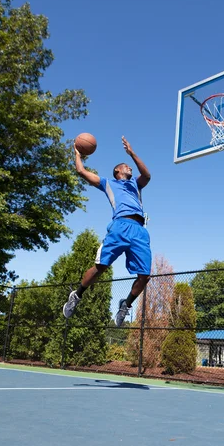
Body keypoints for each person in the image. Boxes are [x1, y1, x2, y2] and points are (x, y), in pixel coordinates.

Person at [63, 136, 151, 327]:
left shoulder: (136, 184)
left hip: (139, 230)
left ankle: (125, 305)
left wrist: (132, 153)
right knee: (100, 267)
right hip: (120, 226)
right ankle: (77, 295)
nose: (130, 168)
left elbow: (147, 175)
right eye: (126, 166)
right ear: (117, 171)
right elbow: (81, 171)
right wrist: (77, 154)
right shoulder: (108, 183)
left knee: (145, 276)